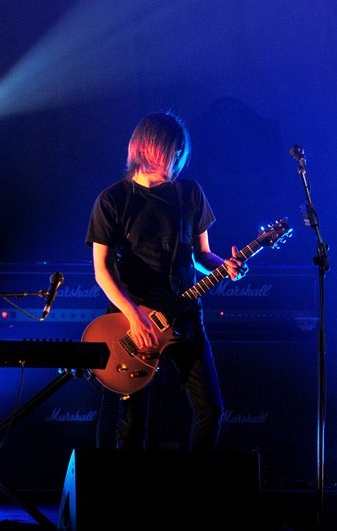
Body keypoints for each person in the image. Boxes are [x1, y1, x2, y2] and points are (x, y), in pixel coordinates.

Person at [85, 111, 247, 451]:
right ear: (148, 147)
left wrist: (226, 266)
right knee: (133, 424)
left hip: (185, 318)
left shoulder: (190, 193)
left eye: (180, 152)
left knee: (211, 410)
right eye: (172, 150)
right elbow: (102, 270)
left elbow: (203, 256)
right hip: (132, 320)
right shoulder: (113, 200)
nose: (177, 158)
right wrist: (134, 317)